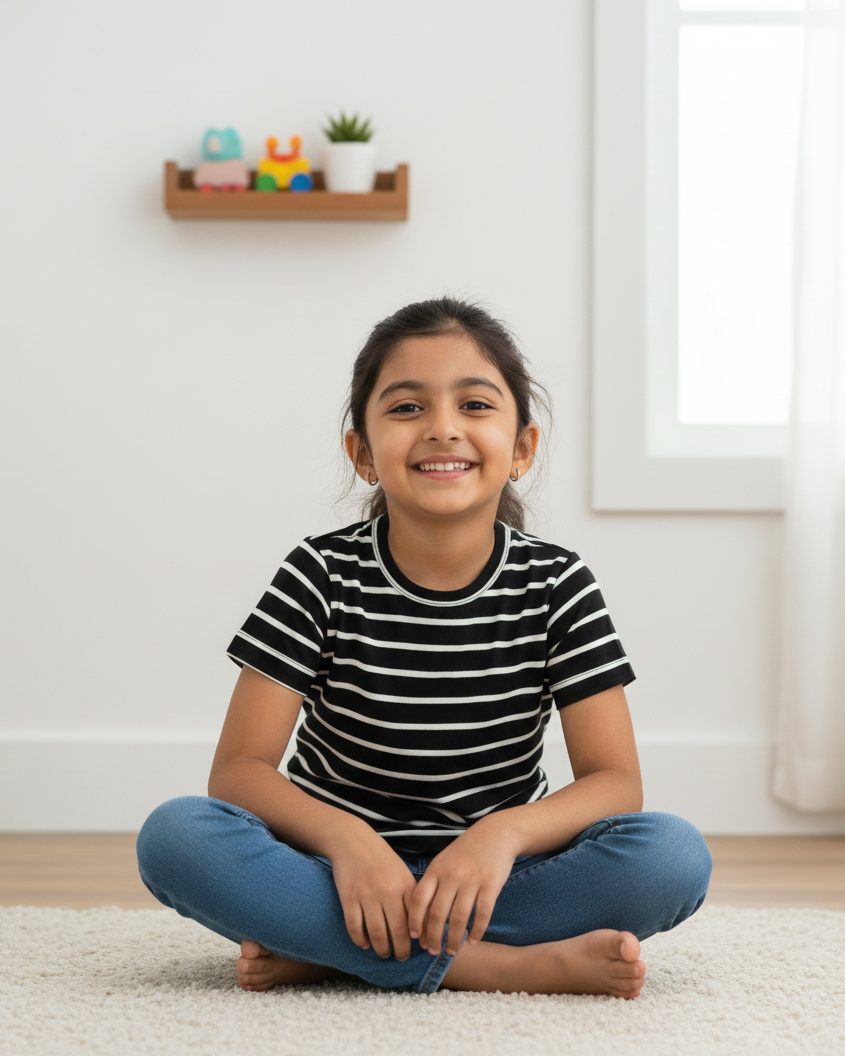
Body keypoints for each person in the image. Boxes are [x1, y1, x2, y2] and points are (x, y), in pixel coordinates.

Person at [136, 297, 712, 999]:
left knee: (671, 857)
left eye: (474, 405)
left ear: (522, 448)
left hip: (495, 878)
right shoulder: (317, 575)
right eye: (407, 409)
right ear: (362, 452)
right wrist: (348, 843)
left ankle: (334, 953)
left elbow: (614, 783)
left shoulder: (558, 582)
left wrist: (499, 836)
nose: (442, 429)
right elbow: (238, 772)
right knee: (175, 837)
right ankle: (501, 967)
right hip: (331, 871)